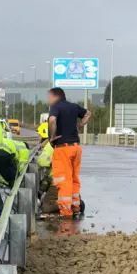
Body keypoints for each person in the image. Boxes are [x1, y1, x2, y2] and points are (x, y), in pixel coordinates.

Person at [47, 87, 91, 217]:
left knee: (63, 181)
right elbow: (88, 114)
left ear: (56, 96)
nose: (48, 100)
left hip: (63, 149)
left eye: (49, 97)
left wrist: (52, 136)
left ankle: (66, 212)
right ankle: (75, 207)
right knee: (74, 179)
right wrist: (80, 125)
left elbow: (52, 120)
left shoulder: (55, 107)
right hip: (76, 147)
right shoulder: (73, 106)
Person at [36, 122, 58, 214]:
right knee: (44, 183)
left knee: (45, 207)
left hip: (56, 181)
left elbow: (43, 162)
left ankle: (68, 205)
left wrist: (37, 161)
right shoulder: (52, 144)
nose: (38, 137)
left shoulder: (49, 146)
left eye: (39, 135)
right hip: (56, 178)